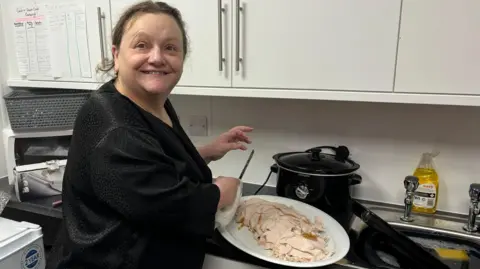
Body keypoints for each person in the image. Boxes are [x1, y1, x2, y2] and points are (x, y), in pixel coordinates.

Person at [50, 1, 253, 269]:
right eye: (141, 45)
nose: (157, 58)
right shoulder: (114, 128)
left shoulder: (147, 101)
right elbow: (168, 206)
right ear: (116, 54)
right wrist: (220, 193)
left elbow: (151, 165)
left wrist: (206, 151)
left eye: (170, 47)